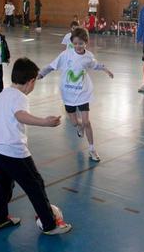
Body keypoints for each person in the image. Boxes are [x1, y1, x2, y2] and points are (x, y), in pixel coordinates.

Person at [0, 57, 72, 235]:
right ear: (31, 81)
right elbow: (20, 115)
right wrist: (45, 122)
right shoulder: (20, 97)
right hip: (13, 151)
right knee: (35, 185)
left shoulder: (3, 94)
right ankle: (50, 224)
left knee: (3, 184)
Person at [38, 27, 114, 162]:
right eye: (75, 43)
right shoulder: (66, 55)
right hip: (68, 93)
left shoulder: (88, 56)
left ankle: (92, 149)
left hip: (83, 92)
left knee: (87, 121)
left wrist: (106, 70)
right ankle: (80, 126)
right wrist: (41, 74)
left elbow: (95, 65)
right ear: (71, 42)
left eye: (81, 43)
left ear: (86, 43)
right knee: (74, 122)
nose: (78, 46)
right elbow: (51, 66)